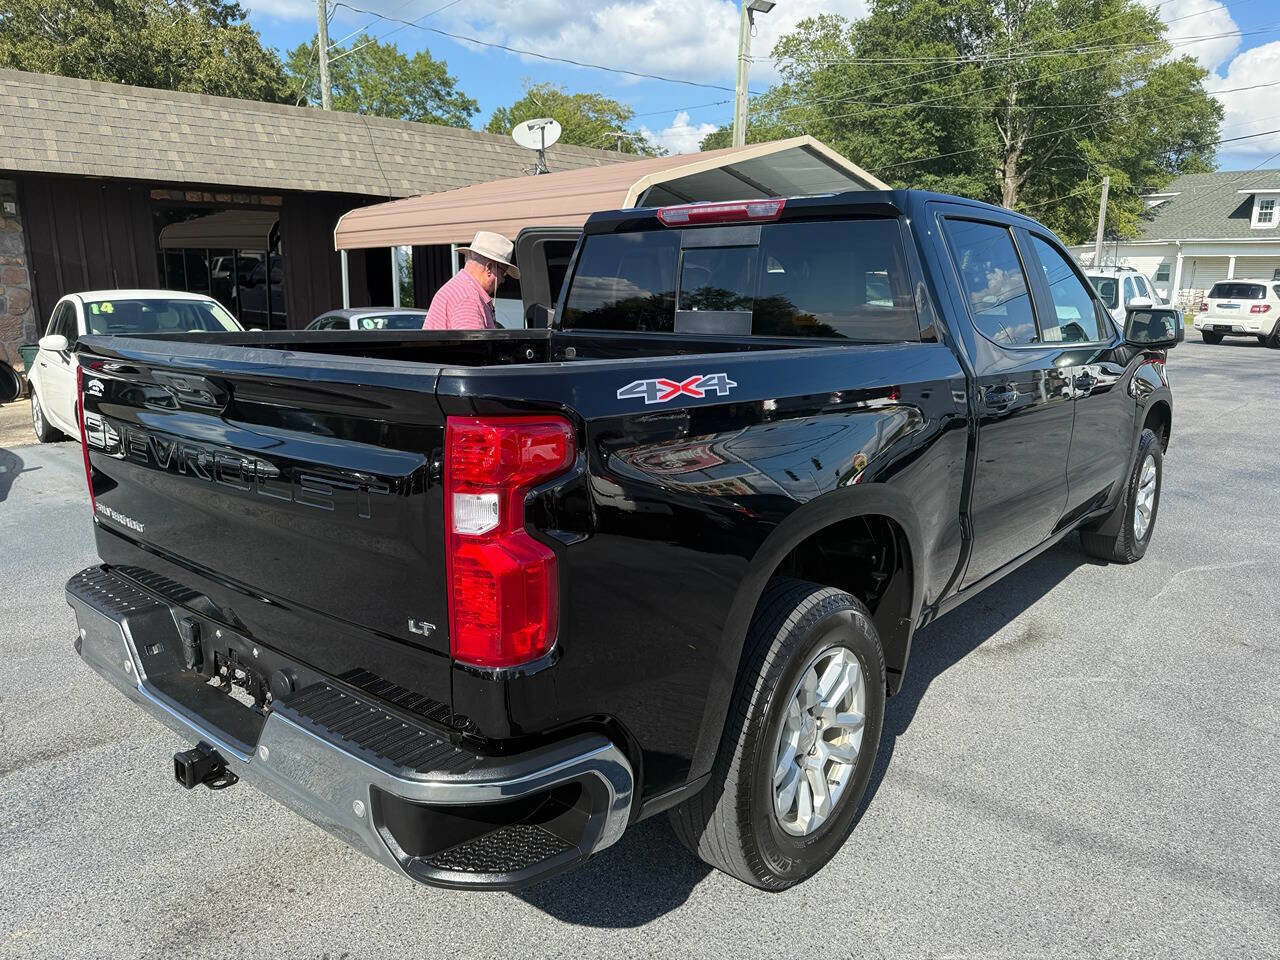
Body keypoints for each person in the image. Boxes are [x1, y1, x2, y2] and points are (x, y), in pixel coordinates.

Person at [423, 230, 520, 330]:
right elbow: (473, 345)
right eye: (503, 273)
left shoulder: (460, 288)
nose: (503, 280)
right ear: (489, 268)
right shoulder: (468, 298)